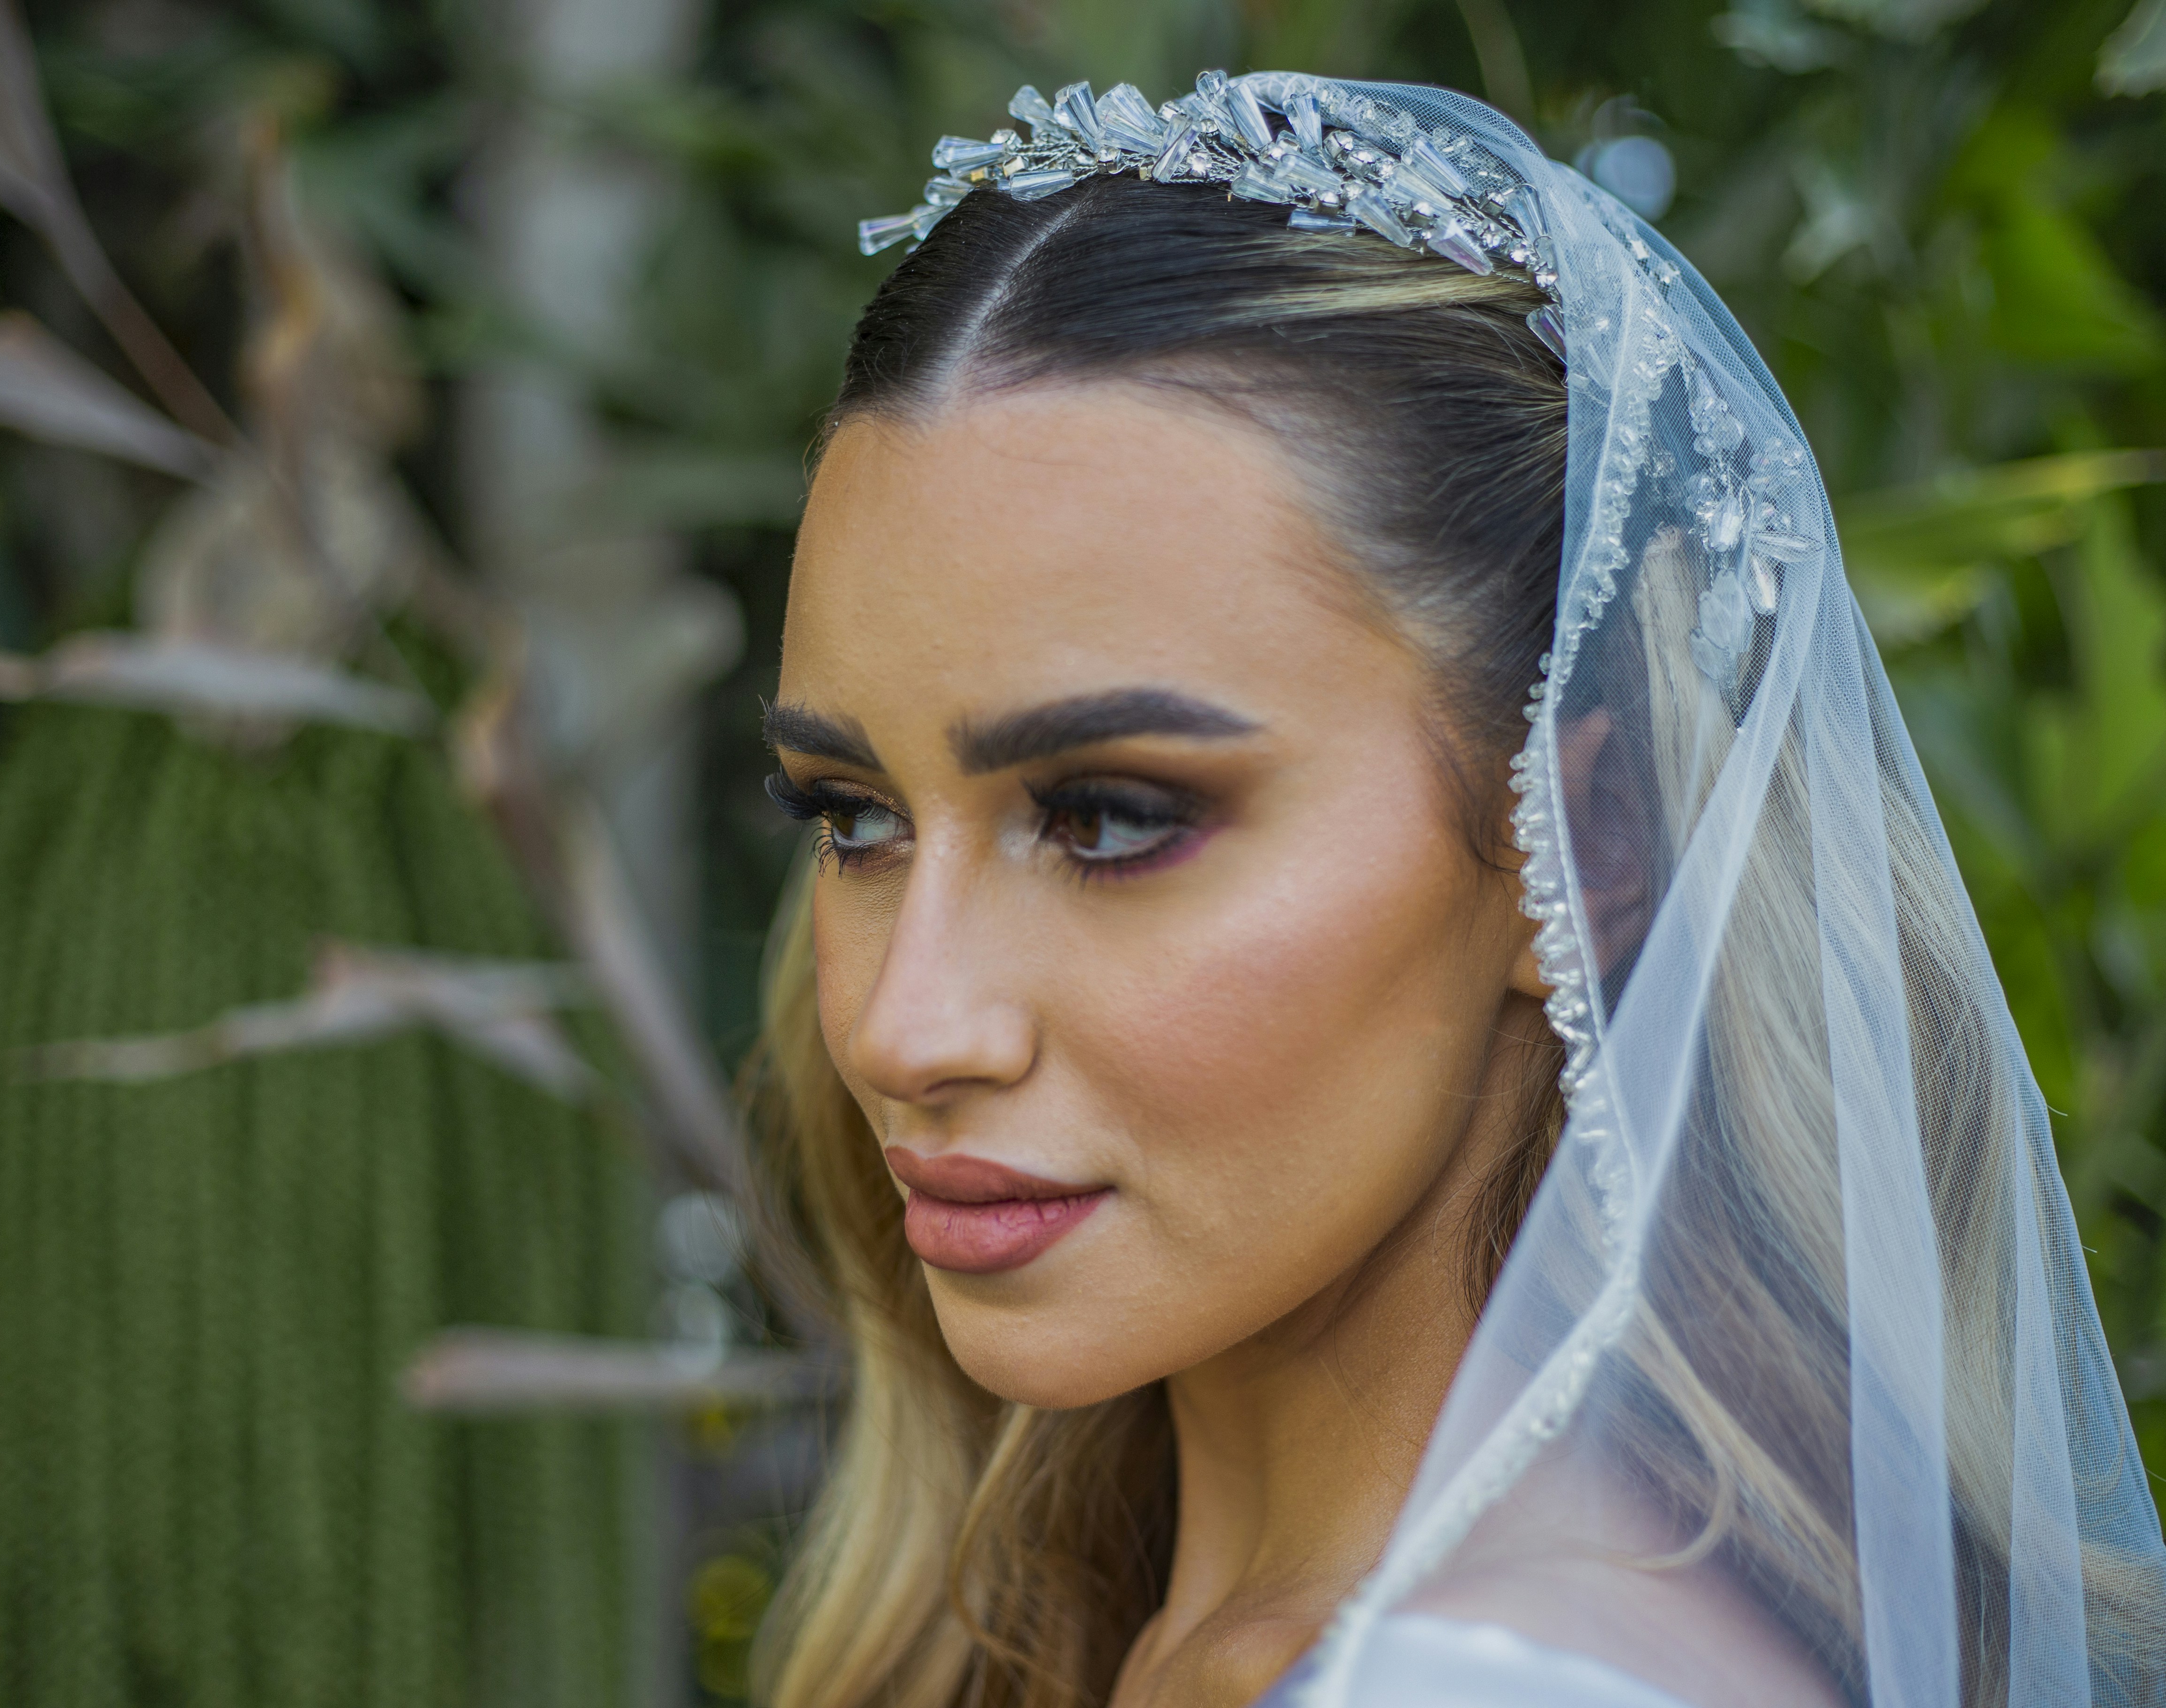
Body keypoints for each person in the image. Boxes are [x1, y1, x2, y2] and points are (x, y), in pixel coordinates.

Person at [742, 75, 2166, 1708]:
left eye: (1113, 821)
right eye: (853, 819)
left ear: (1587, 840)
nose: (908, 1027)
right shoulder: (1101, 1636)